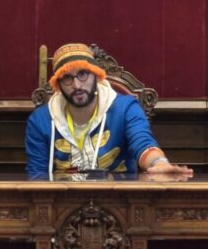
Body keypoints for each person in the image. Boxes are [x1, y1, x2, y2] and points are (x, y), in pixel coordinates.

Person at [25, 43, 191, 177]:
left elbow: (143, 143)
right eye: (67, 78)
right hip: (60, 203)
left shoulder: (125, 108)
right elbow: (37, 174)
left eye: (83, 74)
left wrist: (159, 163)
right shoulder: (40, 119)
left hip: (120, 201)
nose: (77, 85)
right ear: (58, 86)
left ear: (96, 76)